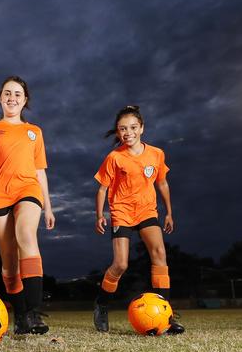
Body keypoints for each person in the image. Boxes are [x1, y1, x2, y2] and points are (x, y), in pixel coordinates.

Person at [0, 76, 55, 334]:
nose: (12, 98)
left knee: (26, 234)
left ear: (25, 100)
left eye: (18, 94)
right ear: (0, 98)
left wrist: (48, 206)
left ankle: (34, 313)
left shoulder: (35, 132)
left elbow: (40, 172)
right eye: (7, 93)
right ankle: (20, 316)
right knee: (9, 261)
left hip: (28, 189)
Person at [92, 105, 184, 334]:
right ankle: (102, 304)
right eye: (122, 129)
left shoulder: (156, 154)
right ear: (117, 133)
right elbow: (102, 189)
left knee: (160, 255)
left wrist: (169, 212)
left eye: (133, 127)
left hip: (147, 211)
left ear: (142, 128)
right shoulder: (114, 157)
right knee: (121, 264)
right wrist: (99, 214)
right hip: (121, 211)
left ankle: (167, 316)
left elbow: (162, 183)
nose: (128, 132)